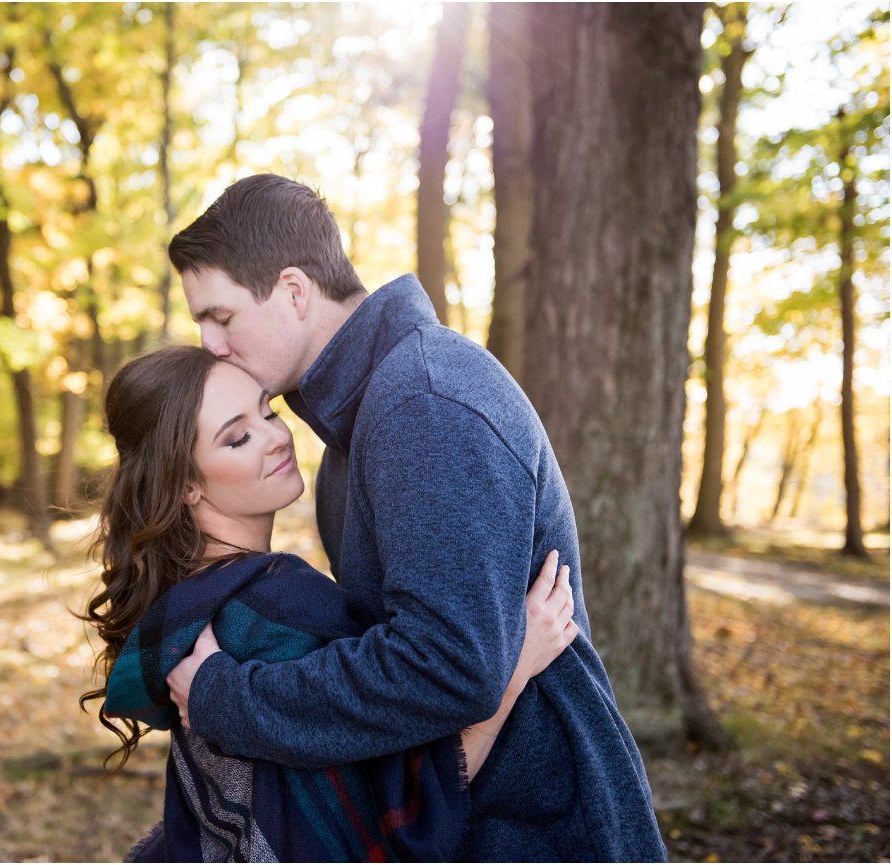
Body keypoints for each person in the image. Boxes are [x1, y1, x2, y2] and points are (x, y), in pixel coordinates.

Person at [163, 174, 667, 861]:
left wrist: (231, 701)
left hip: (540, 828)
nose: (211, 343)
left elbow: (448, 665)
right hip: (462, 815)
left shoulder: (421, 400)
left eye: (220, 316)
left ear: (293, 291)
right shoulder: (360, 424)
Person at [83, 345, 578, 862]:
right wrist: (515, 664)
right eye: (238, 437)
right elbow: (395, 819)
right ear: (185, 484)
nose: (276, 437)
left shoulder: (192, 601)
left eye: (268, 410)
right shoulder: (273, 608)